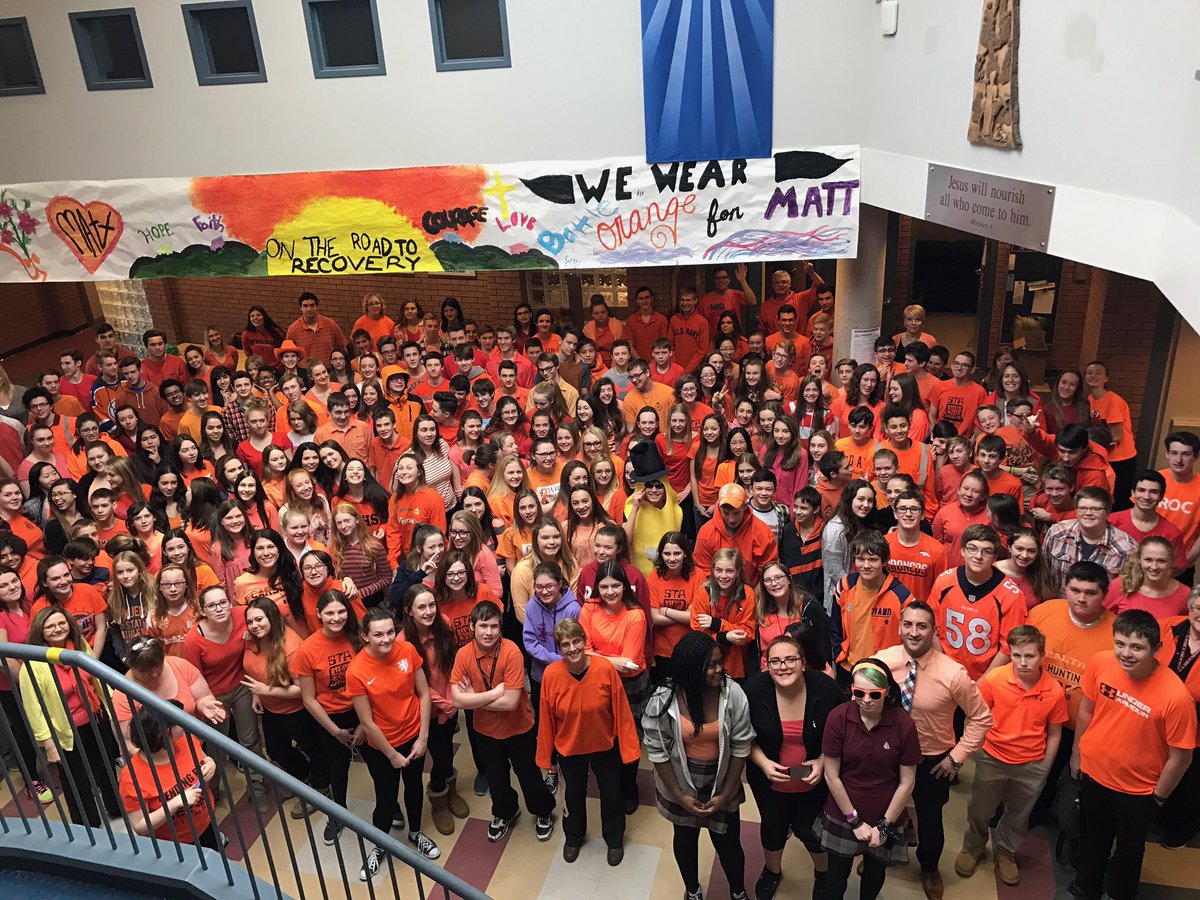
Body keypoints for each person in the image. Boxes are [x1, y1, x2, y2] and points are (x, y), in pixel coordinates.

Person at [1070, 610, 1196, 900]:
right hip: (1094, 773)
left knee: (1129, 850)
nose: (1125, 653)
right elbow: (1087, 710)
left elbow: (1181, 757)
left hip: (1139, 791)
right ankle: (1084, 887)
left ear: (1157, 650)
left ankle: (1117, 894)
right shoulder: (1101, 662)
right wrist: (1077, 754)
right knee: (1093, 838)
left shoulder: (1176, 698)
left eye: (1137, 647)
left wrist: (1158, 797)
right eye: (1120, 644)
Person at [875, 603, 992, 900]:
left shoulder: (953, 674)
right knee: (885, 813)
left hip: (933, 760)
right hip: (889, 756)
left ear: (934, 631)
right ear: (900, 627)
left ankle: (929, 868)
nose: (914, 632)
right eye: (909, 625)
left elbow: (981, 718)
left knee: (930, 819)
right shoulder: (881, 663)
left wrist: (957, 757)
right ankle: (880, 857)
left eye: (922, 626)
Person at [643, 632, 753, 900]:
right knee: (685, 838)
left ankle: (738, 892)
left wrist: (726, 794)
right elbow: (657, 752)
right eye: (711, 665)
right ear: (691, 670)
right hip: (679, 777)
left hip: (721, 775)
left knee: (728, 843)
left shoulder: (733, 694)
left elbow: (740, 748)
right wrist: (680, 796)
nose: (719, 670)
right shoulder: (664, 697)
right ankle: (692, 891)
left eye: (720, 662)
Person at [955, 625, 1067, 886]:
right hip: (993, 758)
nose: (1023, 662)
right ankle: (973, 846)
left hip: (1031, 765)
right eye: (1016, 655)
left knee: (1018, 814)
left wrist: (1044, 766)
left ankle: (1005, 851)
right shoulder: (995, 680)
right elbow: (977, 717)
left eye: (1030, 656)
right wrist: (980, 750)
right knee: (980, 809)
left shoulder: (1054, 691)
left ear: (1042, 656)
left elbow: (1054, 733)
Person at [744, 633, 844, 900]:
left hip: (812, 778)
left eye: (790, 659)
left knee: (810, 829)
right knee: (773, 826)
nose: (783, 666)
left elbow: (844, 731)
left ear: (803, 663)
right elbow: (741, 735)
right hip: (769, 777)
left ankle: (821, 875)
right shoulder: (753, 690)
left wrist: (823, 761)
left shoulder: (826, 689)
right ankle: (772, 870)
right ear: (765, 664)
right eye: (775, 661)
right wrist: (763, 763)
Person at [812, 657, 920, 900]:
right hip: (844, 809)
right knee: (835, 877)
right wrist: (854, 821)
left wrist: (884, 825)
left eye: (874, 695)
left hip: (886, 811)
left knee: (874, 874)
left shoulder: (904, 725)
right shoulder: (838, 717)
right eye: (858, 693)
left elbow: (907, 782)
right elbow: (832, 775)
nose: (866, 701)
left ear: (888, 692)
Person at [450, 600, 557, 843]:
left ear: (501, 628)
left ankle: (543, 811)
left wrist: (473, 699)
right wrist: (494, 693)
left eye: (494, 627)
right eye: (483, 626)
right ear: (471, 627)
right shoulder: (463, 655)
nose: (489, 632)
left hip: (519, 728)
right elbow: (456, 700)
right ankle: (505, 813)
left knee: (529, 777)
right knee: (497, 781)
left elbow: (510, 703)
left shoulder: (511, 652)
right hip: (485, 732)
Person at [537, 617, 641, 865]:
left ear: (585, 641)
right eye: (565, 645)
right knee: (572, 796)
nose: (572, 649)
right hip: (570, 749)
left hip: (605, 746)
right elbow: (546, 718)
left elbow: (622, 712)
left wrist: (628, 750)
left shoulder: (604, 669)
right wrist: (548, 757)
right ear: (558, 648)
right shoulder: (551, 675)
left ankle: (614, 839)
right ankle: (573, 837)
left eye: (576, 641)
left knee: (612, 794)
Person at [347, 607, 439, 880]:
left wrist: (423, 738)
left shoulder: (407, 650)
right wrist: (391, 755)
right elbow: (368, 722)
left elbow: (423, 694)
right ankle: (380, 845)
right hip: (382, 746)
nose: (386, 639)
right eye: (378, 634)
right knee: (386, 798)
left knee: (414, 786)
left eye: (389, 632)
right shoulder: (357, 671)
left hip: (414, 737)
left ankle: (415, 833)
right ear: (365, 636)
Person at [1025, 562, 1117, 824]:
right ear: (1065, 588)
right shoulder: (1043, 612)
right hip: (1033, 710)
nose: (1081, 598)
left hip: (1074, 724)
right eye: (1075, 590)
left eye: (1090, 593)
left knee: (1052, 773)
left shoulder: (1115, 632)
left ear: (1104, 594)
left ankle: (1036, 813)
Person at [19, 606, 122, 826]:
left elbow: (96, 678)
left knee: (106, 767)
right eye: (50, 626)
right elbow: (34, 709)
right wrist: (48, 743)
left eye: (61, 623)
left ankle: (116, 808)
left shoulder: (78, 646)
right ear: (40, 631)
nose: (57, 629)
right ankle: (88, 824)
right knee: (77, 781)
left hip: (96, 719)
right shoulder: (33, 663)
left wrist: (113, 708)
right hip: (67, 732)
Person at [181, 585, 268, 810]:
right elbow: (193, 677)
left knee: (250, 741)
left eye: (222, 603)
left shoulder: (242, 616)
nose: (219, 609)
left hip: (242, 687)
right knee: (215, 747)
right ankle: (211, 793)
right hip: (213, 695)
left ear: (230, 603)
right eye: (211, 605)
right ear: (203, 610)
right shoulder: (193, 639)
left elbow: (265, 626)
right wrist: (205, 705)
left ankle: (257, 789)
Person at [399, 583, 471, 835]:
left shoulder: (444, 623)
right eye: (421, 607)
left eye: (431, 605)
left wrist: (453, 700)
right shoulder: (402, 642)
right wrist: (445, 704)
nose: (429, 611)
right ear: (409, 611)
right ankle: (438, 799)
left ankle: (449, 791)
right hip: (424, 710)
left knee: (446, 753)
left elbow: (453, 663)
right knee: (439, 756)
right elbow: (415, 686)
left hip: (450, 703)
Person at [295, 589, 364, 845]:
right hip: (330, 718)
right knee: (339, 769)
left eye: (341, 611)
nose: (336, 618)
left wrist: (365, 725)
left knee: (380, 764)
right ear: (319, 615)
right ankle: (339, 813)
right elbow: (308, 698)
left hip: (362, 711)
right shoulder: (307, 650)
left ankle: (391, 808)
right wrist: (336, 732)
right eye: (330, 613)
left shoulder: (358, 637)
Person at [929, 525, 1026, 683]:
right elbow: (932, 627)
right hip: (944, 671)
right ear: (962, 550)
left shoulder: (1010, 595)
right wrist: (943, 669)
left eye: (986, 551)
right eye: (972, 549)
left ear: (995, 556)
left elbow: (1009, 648)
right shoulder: (944, 581)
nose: (978, 556)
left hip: (986, 677)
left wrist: (982, 684)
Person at [119, 705, 220, 848]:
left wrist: (211, 763)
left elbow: (204, 758)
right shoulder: (131, 778)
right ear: (165, 734)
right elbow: (140, 826)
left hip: (206, 823)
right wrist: (175, 803)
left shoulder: (186, 739)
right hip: (174, 843)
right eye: (176, 722)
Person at [831, 531, 914, 679]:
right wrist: (838, 654)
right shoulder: (844, 587)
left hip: (886, 673)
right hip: (849, 669)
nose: (866, 565)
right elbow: (834, 628)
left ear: (884, 561)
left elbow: (911, 638)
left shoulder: (902, 597)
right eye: (860, 559)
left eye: (873, 559)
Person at [1156, 588, 1200, 849]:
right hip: (1156, 717)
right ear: (1191, 608)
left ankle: (1182, 827)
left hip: (1196, 724)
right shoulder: (1166, 627)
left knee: (1191, 781)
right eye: (1198, 609)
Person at [1043, 487, 1138, 595]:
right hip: (1057, 605)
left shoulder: (1127, 549)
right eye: (1083, 508)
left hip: (1100, 610)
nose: (1088, 513)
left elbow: (1129, 589)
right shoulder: (1057, 533)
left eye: (1095, 509)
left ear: (1107, 512)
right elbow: (1043, 572)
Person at [1106, 535, 1189, 617]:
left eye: (1161, 561)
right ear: (1139, 559)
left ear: (1171, 562)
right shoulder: (1120, 585)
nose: (1154, 567)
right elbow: (1100, 620)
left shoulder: (1185, 594)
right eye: (1148, 560)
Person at [286, 292, 348, 365]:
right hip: (305, 373)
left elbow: (342, 347)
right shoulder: (293, 329)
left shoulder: (330, 324)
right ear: (300, 308)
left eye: (312, 305)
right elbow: (288, 355)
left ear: (317, 306)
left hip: (330, 371)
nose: (309, 309)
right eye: (305, 306)